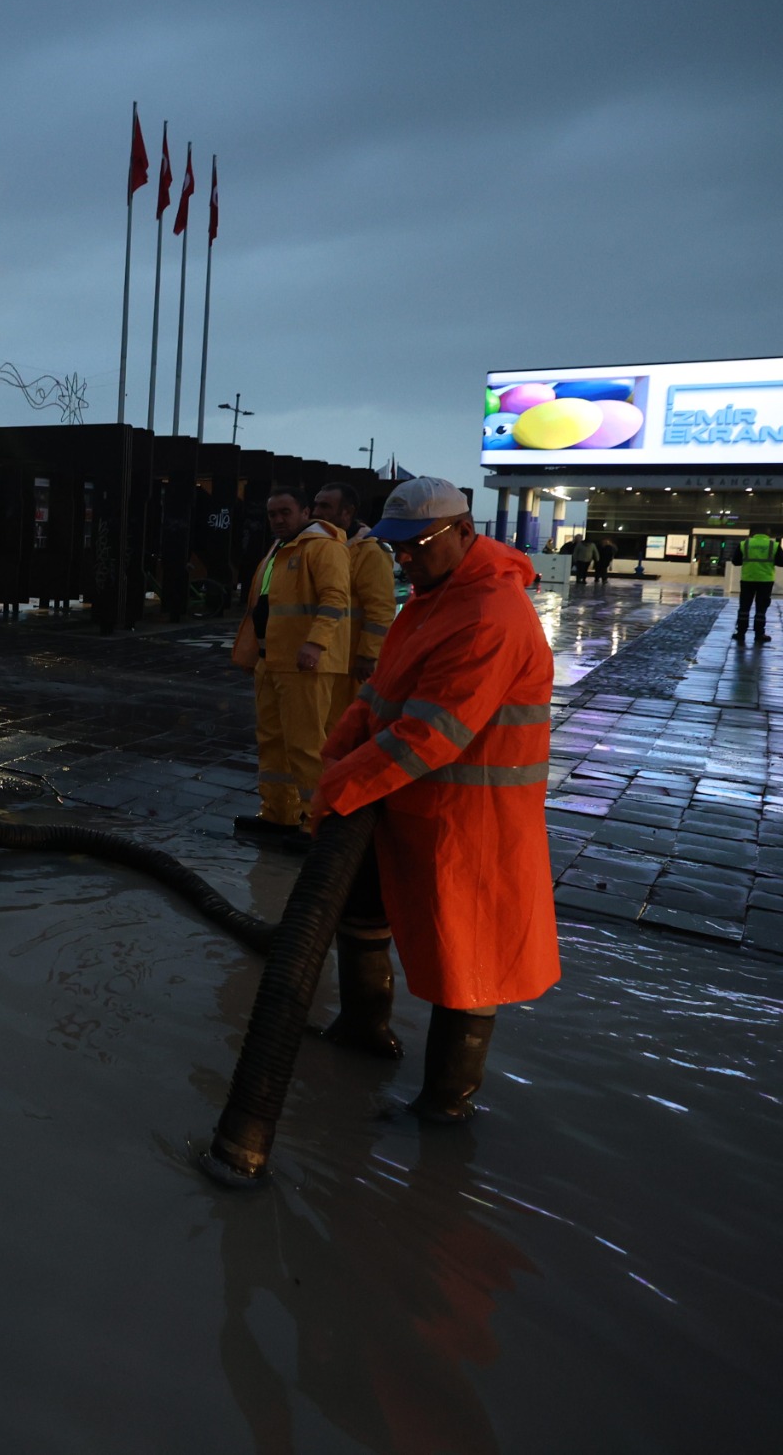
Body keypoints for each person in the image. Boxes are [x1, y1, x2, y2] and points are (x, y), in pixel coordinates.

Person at [309, 477, 556, 1123]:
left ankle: (447, 1103)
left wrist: (340, 786)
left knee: (464, 957)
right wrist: (341, 750)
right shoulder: (430, 598)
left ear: (464, 533)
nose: (404, 560)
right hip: (406, 803)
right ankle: (364, 1030)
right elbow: (382, 693)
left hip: (469, 821)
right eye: (396, 549)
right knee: (362, 909)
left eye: (416, 546)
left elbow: (430, 734)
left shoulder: (488, 616)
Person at [232, 486, 351, 847]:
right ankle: (278, 814)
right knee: (273, 741)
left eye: (285, 512)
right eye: (272, 514)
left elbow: (335, 599)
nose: (278, 520)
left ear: (304, 512)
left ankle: (316, 824)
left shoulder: (322, 547)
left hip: (305, 663)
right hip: (273, 660)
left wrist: (315, 643)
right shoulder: (280, 549)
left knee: (306, 746)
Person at [316, 482, 397, 684]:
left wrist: (368, 654)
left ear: (348, 511)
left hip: (350, 660)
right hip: (322, 654)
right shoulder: (320, 546)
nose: (316, 512)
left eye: (325, 507)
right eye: (316, 505)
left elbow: (380, 607)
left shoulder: (370, 552)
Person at [733, 527, 783, 643]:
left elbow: (736, 561)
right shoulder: (774, 545)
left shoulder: (744, 544)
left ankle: (741, 633)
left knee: (744, 607)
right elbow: (782, 563)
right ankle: (759, 634)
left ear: (752, 534)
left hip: (747, 579)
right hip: (766, 581)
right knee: (761, 609)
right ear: (768, 534)